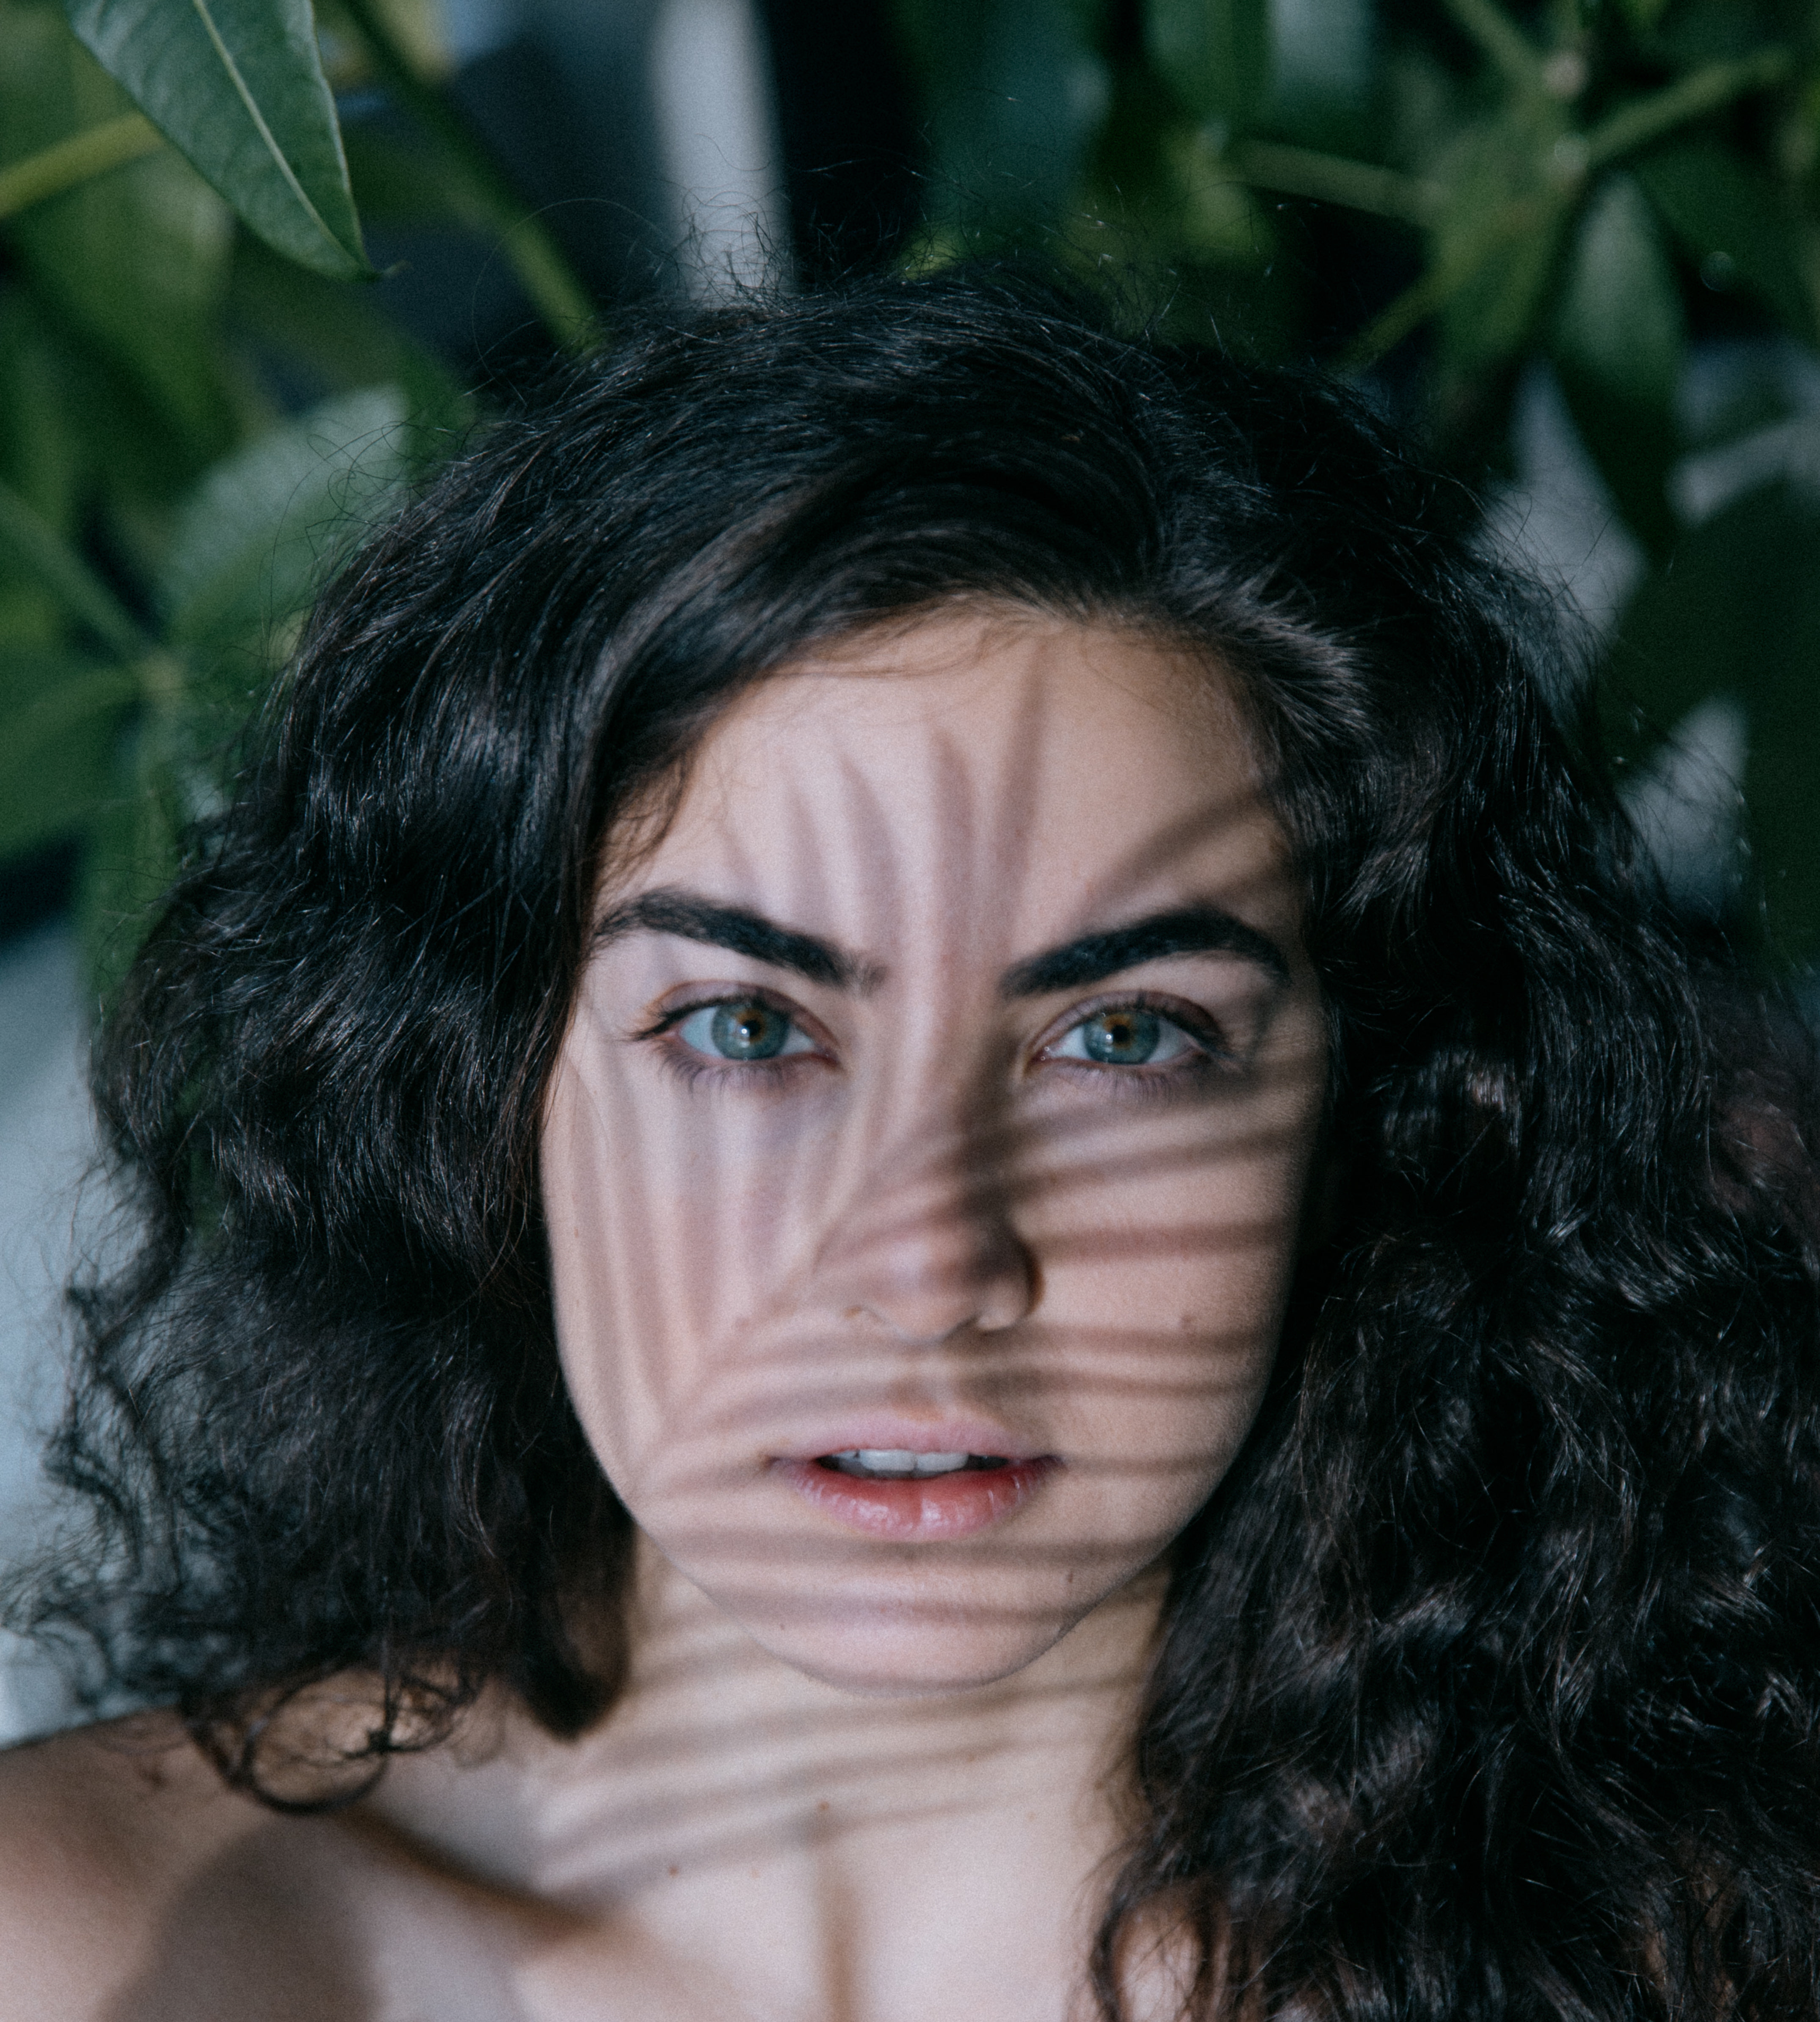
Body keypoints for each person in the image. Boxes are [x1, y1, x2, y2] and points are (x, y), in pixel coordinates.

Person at [0, 269, 1816, 2021]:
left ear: (1364, 1129)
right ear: (487, 1095)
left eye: (1122, 1038)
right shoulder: (81, 1950)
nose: (930, 1264)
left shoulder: (1681, 1958)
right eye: (745, 1029)